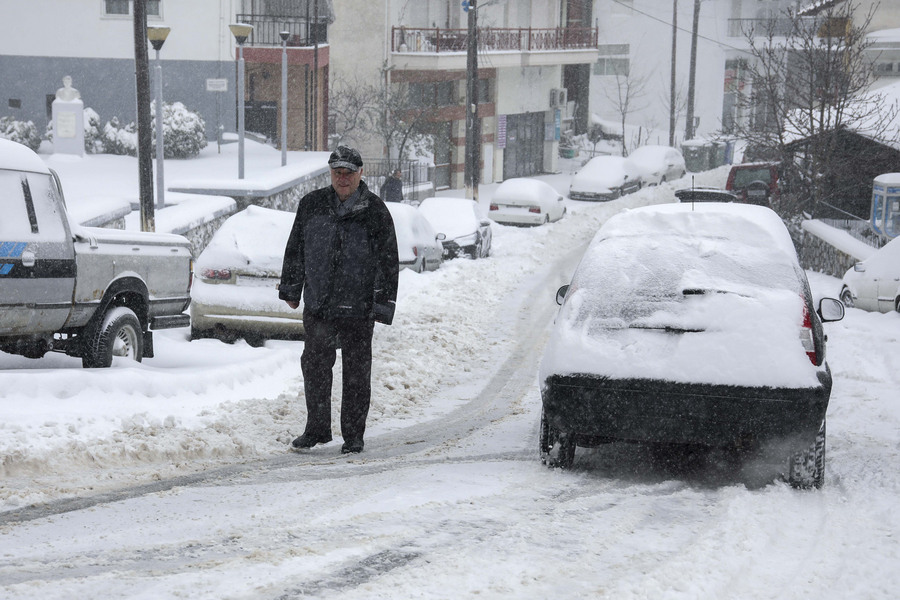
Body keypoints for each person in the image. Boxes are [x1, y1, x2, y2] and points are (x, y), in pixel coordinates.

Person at [279, 146, 399, 454]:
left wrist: (383, 304)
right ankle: (317, 429)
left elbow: (388, 260)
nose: (342, 179)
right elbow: (296, 248)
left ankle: (353, 435)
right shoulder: (312, 205)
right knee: (316, 367)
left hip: (358, 307)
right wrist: (292, 288)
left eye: (348, 173)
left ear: (361, 174)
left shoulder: (375, 211)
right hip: (320, 304)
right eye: (337, 173)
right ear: (330, 174)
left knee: (357, 373)